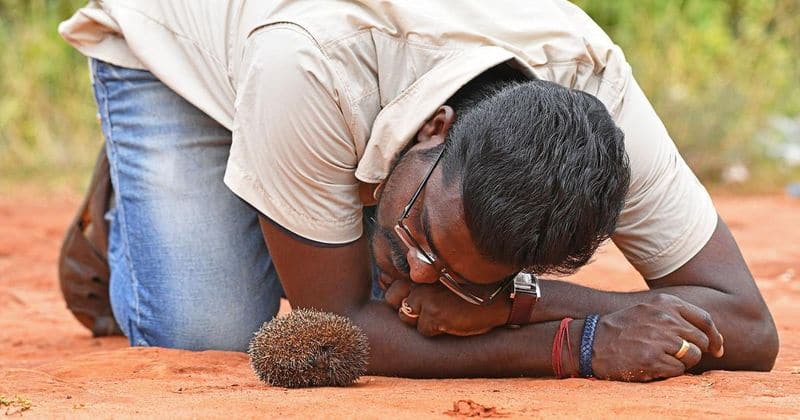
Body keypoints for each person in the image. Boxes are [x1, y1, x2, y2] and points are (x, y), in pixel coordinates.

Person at [58, 0, 778, 382]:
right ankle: (137, 197)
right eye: (425, 240)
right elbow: (334, 327)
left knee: (386, 259)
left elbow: (747, 325)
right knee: (205, 331)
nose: (422, 280)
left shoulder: (596, 98)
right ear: (434, 128)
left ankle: (288, 184)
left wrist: (508, 300)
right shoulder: (303, 62)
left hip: (340, 98)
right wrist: (574, 343)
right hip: (185, 45)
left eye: (468, 277)